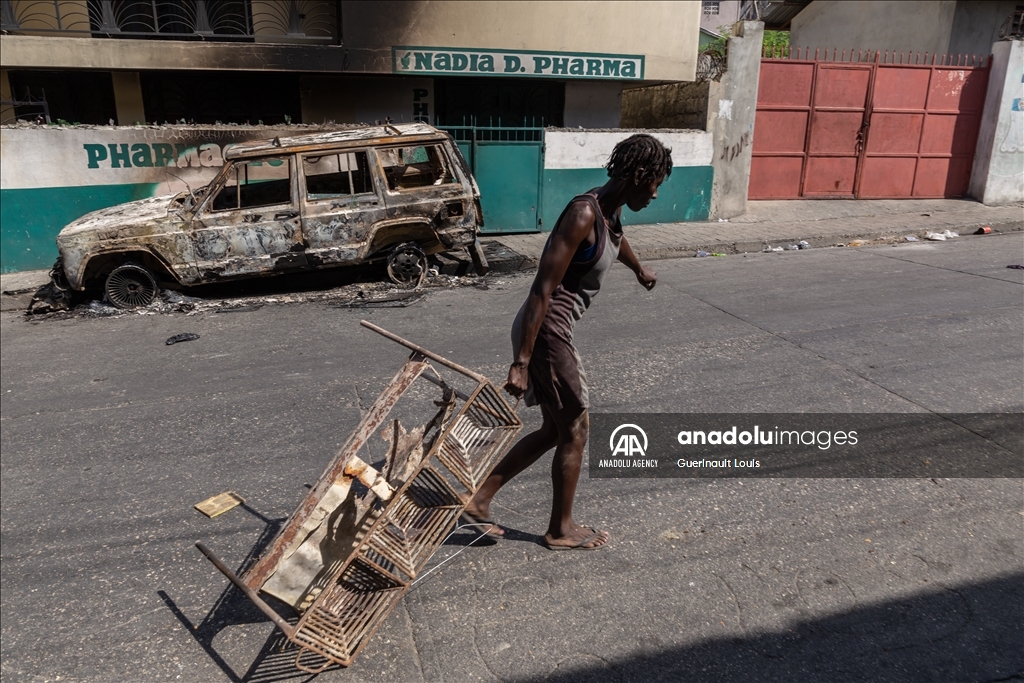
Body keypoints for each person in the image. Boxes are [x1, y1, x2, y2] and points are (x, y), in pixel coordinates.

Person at [464, 134, 672, 550]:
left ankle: (479, 499)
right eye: (655, 183)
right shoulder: (582, 213)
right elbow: (542, 288)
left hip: (548, 330)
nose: (655, 193)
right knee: (575, 428)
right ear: (637, 175)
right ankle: (560, 530)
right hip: (545, 331)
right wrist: (521, 362)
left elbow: (615, 238)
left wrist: (637, 269)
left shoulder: (609, 210)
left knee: (554, 429)